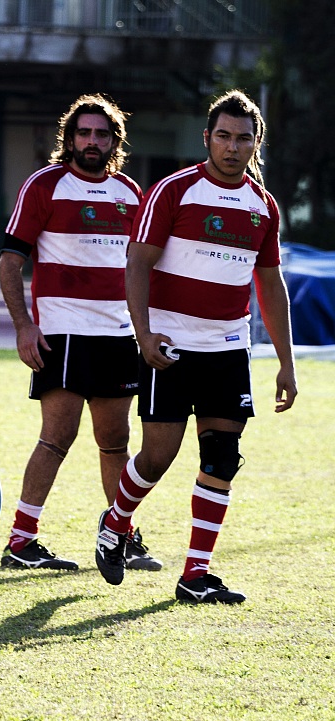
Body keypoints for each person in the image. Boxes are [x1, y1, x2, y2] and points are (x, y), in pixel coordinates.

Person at [95, 89, 297, 603]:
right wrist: (144, 334)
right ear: (207, 138)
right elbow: (137, 264)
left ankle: (196, 575)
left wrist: (286, 362)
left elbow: (270, 284)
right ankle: (116, 521)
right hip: (170, 345)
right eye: (223, 136)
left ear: (256, 144)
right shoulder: (173, 191)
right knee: (157, 456)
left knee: (222, 458)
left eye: (243, 139)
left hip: (228, 348)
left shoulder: (263, 206)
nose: (232, 147)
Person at [0, 93, 161, 572]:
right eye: (84, 133)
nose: (92, 141)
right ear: (69, 139)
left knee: (115, 441)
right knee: (57, 437)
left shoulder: (131, 193)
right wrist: (24, 326)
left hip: (119, 335)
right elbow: (9, 262)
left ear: (115, 142)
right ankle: (22, 541)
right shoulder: (44, 185)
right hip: (63, 333)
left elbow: (143, 267)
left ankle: (121, 536)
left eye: (101, 134)